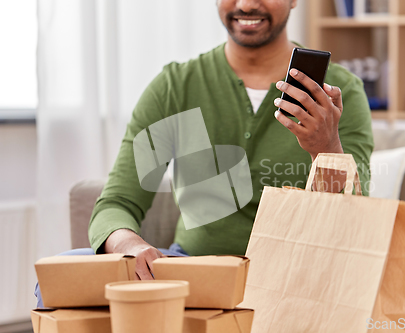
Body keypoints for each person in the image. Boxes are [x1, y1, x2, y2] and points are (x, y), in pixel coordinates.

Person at [60, 0, 374, 284]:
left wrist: (326, 147)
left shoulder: (339, 91)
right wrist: (129, 245)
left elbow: (353, 221)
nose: (247, 4)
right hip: (193, 272)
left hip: (298, 280)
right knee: (65, 271)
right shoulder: (176, 87)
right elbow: (117, 201)